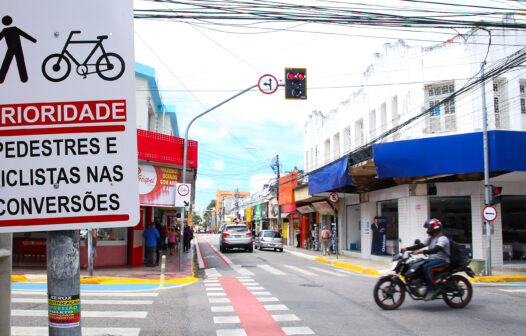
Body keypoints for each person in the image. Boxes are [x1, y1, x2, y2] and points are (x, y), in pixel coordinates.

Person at [401, 218, 450, 301]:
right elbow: (421, 245)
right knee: (419, 265)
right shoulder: (431, 238)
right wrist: (406, 248)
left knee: (427, 267)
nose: (427, 230)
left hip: (443, 261)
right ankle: (424, 284)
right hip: (433, 260)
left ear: (434, 229)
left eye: (429, 228)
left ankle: (432, 288)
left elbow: (435, 250)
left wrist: (421, 252)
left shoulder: (442, 239)